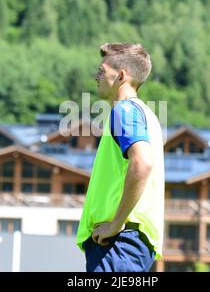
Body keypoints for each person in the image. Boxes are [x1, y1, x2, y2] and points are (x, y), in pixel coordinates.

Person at [76, 43, 165, 272]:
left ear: (121, 75)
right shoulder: (146, 115)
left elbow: (142, 163)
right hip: (127, 243)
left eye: (101, 70)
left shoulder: (124, 111)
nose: (96, 76)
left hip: (118, 243)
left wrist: (115, 224)